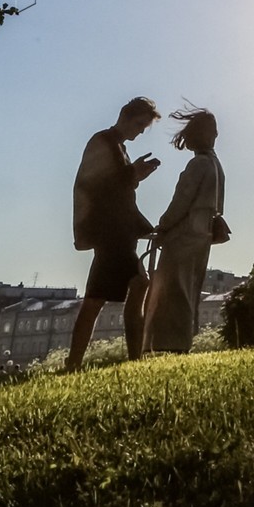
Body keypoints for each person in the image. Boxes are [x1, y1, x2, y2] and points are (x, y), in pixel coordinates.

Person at [68, 96, 162, 371]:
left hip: (116, 234)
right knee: (117, 291)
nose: (141, 131)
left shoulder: (115, 146)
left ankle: (78, 362)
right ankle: (131, 359)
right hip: (111, 234)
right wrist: (133, 174)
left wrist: (134, 175)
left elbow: (117, 189)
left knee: (103, 296)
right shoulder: (103, 142)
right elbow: (96, 186)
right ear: (125, 116)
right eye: (140, 124)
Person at [143, 107, 226, 354]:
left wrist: (163, 226)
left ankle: (169, 344)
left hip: (184, 234)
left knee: (173, 290)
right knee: (188, 290)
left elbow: (181, 201)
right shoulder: (215, 165)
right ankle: (180, 343)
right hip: (202, 234)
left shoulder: (198, 164)